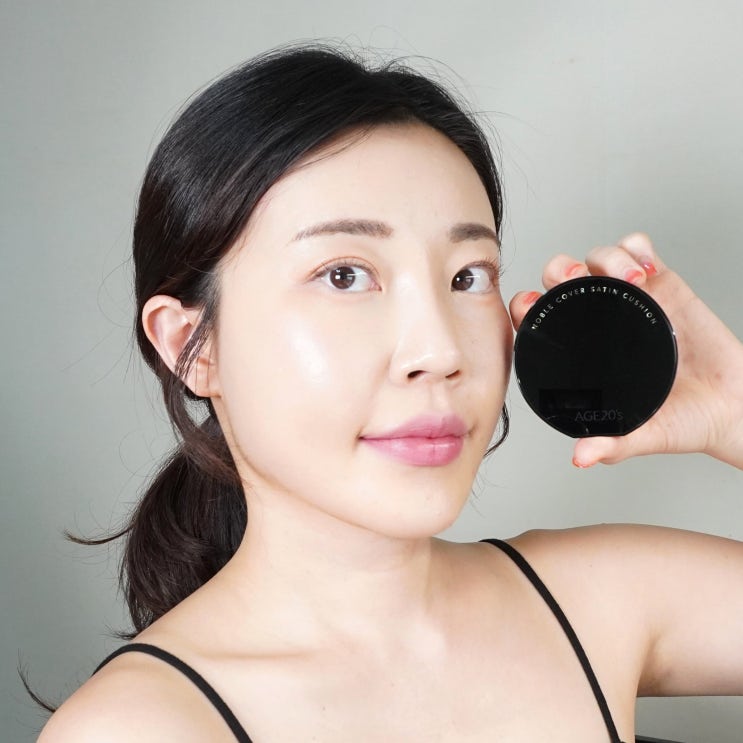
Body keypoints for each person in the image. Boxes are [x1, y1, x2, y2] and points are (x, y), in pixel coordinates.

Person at [38, 43, 743, 743]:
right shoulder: (140, 726)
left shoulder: (597, 599)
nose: (439, 351)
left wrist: (733, 406)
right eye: (344, 275)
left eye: (467, 277)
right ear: (192, 345)